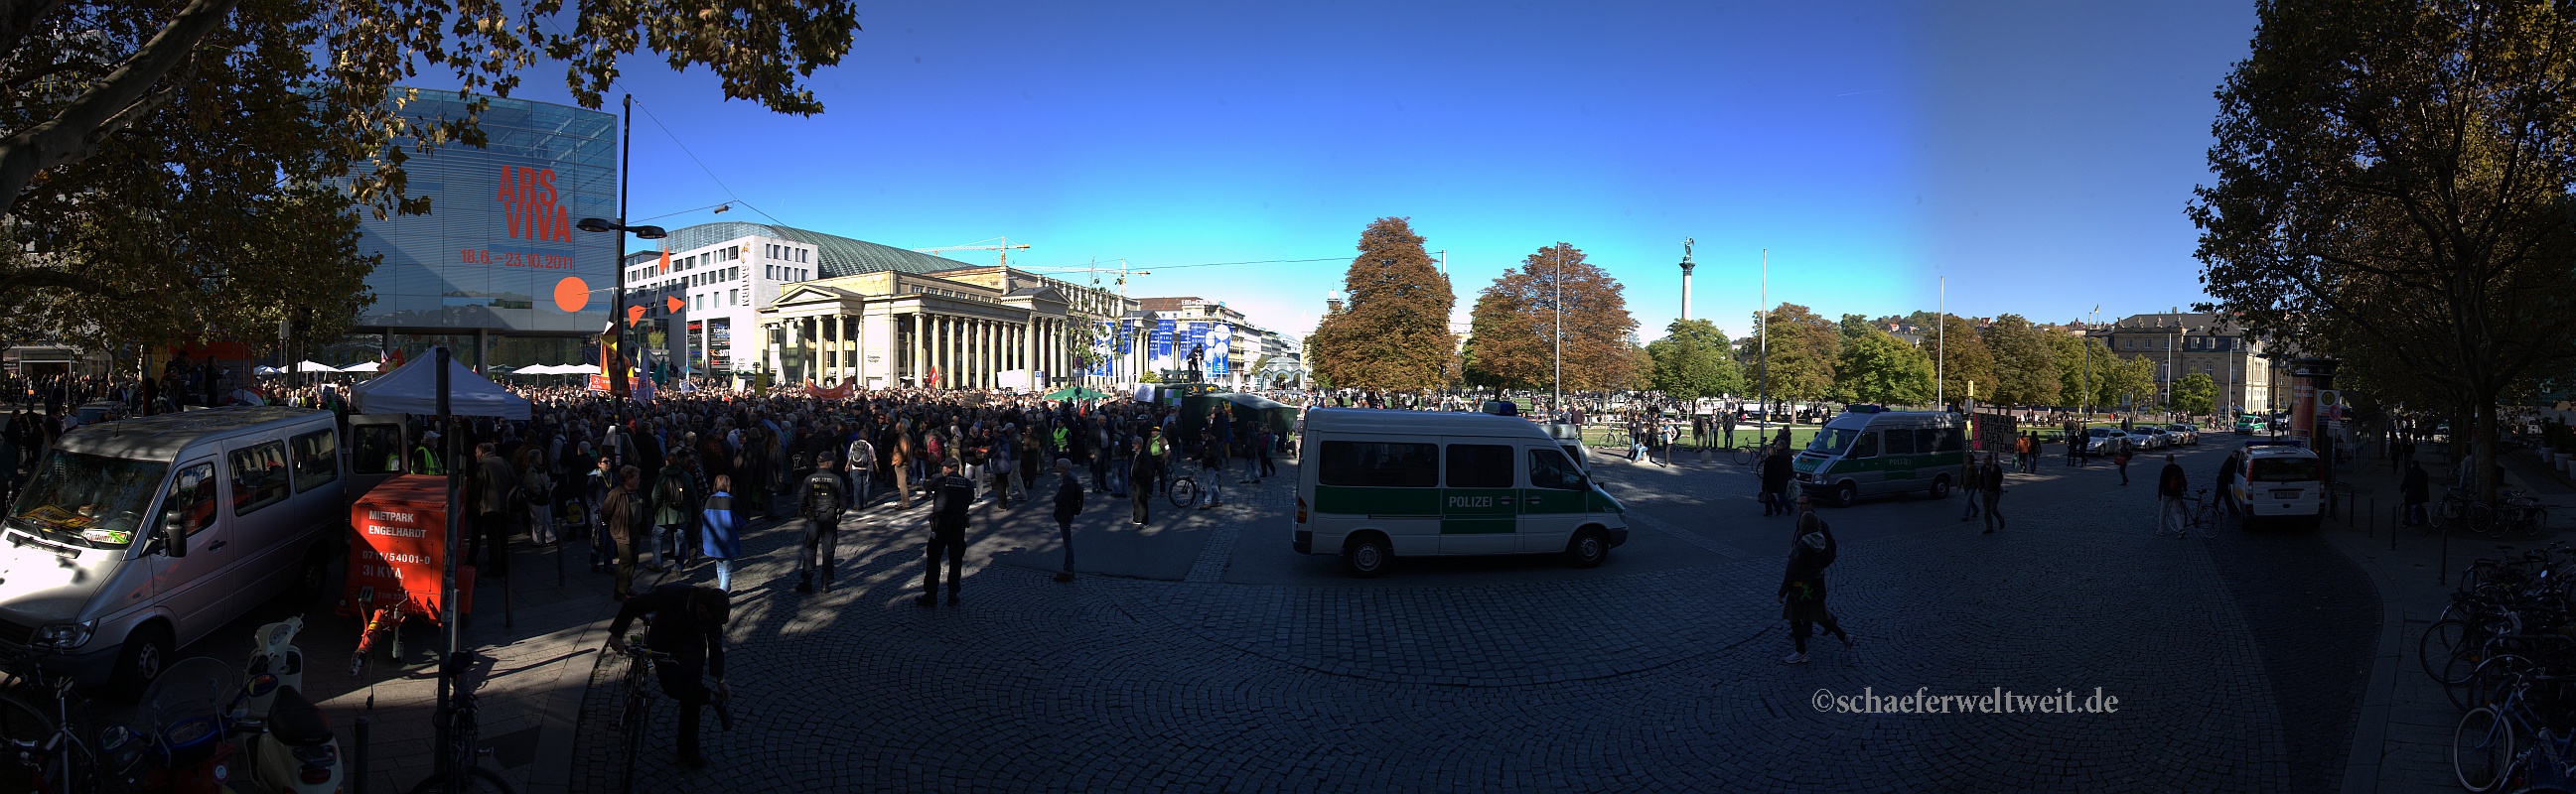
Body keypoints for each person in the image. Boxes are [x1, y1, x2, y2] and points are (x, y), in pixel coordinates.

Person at [606, 585, 730, 769]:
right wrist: (616, 635)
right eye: (709, 617)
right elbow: (633, 604)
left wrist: (720, 679)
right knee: (673, 687)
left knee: (691, 699)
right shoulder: (672, 594)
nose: (711, 622)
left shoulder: (712, 615)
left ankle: (689, 749)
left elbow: (715, 644)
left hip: (691, 651)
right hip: (663, 644)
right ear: (702, 607)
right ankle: (711, 697)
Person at [1778, 495, 1851, 664]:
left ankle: (1801, 652)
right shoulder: (1820, 541)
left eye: (1802, 503)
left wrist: (1781, 592)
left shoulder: (1802, 546)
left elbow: (1791, 571)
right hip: (1816, 584)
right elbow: (1826, 558)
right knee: (1818, 616)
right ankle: (1845, 637)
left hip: (1800, 586)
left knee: (1794, 616)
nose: (1799, 506)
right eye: (1798, 503)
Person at [919, 460, 975, 606]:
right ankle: (953, 594)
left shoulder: (940, 480)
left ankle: (931, 594)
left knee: (934, 557)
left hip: (941, 523)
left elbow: (926, 486)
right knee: (956, 559)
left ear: (946, 469)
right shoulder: (967, 483)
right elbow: (970, 498)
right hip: (959, 523)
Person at [794, 452, 847, 593]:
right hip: (829, 519)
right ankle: (825, 583)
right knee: (828, 550)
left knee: (810, 549)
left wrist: (805, 510)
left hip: (813, 518)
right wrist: (839, 511)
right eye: (832, 461)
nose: (834, 463)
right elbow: (843, 501)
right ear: (828, 463)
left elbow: (801, 497)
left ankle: (807, 581)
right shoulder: (836, 479)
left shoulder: (809, 479)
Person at [466, 443, 517, 580]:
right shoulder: (503, 462)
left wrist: (473, 503)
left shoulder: (481, 465)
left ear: (481, 453)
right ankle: (503, 564)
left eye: (476, 453)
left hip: (487, 507)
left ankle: (493, 568)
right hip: (503, 506)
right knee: (501, 537)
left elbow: (475, 488)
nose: (475, 455)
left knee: (489, 538)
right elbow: (514, 481)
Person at [601, 465, 647, 599]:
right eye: (636, 478)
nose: (638, 480)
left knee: (634, 559)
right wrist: (613, 525)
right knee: (625, 561)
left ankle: (627, 586)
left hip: (635, 530)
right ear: (628, 479)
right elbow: (605, 511)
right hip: (623, 532)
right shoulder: (616, 494)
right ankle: (620, 592)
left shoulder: (636, 491)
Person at [648, 453, 700, 572]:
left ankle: (657, 562)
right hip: (682, 512)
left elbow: (656, 496)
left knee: (657, 535)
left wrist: (656, 509)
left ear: (666, 462)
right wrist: (697, 510)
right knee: (680, 539)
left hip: (665, 512)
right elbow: (693, 496)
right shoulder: (686, 476)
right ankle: (678, 566)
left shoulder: (662, 477)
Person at [700, 474, 745, 592]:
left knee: (720, 568)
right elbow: (740, 522)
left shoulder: (710, 500)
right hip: (728, 539)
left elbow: (704, 519)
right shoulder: (731, 501)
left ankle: (723, 589)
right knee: (727, 571)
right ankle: (721, 595)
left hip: (713, 540)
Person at [1052, 459, 1082, 583]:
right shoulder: (1069, 480)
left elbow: (1061, 498)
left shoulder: (1068, 483)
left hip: (1065, 514)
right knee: (1067, 542)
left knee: (1067, 543)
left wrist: (1056, 498)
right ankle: (1068, 569)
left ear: (1063, 468)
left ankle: (1068, 570)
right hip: (1066, 513)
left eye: (1058, 465)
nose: (1056, 466)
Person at [520, 448, 557, 546]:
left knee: (547, 519)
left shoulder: (541, 469)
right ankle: (536, 540)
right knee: (537, 521)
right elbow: (533, 485)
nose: (541, 459)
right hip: (537, 499)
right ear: (533, 459)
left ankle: (550, 537)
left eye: (541, 457)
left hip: (544, 497)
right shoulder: (531, 470)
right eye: (538, 457)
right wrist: (543, 491)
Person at [2156, 454, 2190, 538]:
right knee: (2176, 512)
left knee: (2163, 511)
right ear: (2173, 459)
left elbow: (2161, 483)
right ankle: (2181, 529)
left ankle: (2161, 530)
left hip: (2167, 493)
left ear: (2166, 460)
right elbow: (2184, 479)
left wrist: (2159, 494)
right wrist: (2184, 489)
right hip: (2177, 492)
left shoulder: (2165, 469)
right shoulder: (2178, 468)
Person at [1758, 444, 1793, 517]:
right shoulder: (1778, 459)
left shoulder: (1768, 460)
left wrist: (1764, 483)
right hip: (1778, 480)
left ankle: (1771, 510)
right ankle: (1778, 508)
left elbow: (1766, 473)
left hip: (1770, 481)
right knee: (1778, 494)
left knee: (1768, 495)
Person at [1129, 436, 1155, 527]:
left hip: (1141, 482)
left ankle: (1145, 521)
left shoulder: (1145, 455)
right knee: (1135, 500)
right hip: (1134, 480)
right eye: (1133, 443)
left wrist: (1144, 480)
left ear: (1140, 444)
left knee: (1142, 501)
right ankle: (1136, 519)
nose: (1133, 445)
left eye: (1135, 443)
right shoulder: (1134, 453)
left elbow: (1149, 470)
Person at [1197, 430, 1225, 509]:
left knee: (1208, 484)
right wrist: (1193, 458)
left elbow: (1212, 456)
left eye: (1204, 433)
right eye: (1201, 433)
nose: (1202, 435)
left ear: (1208, 434)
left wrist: (1202, 460)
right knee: (1213, 485)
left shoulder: (1213, 444)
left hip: (1212, 466)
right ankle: (1218, 500)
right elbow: (1202, 453)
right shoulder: (1206, 443)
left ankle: (1207, 502)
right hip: (1208, 465)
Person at [1979, 454, 2006, 534]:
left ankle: (2000, 519)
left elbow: (2000, 479)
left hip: (1994, 492)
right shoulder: (1983, 468)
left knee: (1993, 509)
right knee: (1986, 510)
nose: (1984, 460)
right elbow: (1981, 479)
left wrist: (1994, 472)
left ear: (1990, 460)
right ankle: (1989, 527)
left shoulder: (1996, 468)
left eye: (1986, 459)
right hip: (1986, 491)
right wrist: (1981, 488)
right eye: (1984, 459)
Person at [2217, 449, 2244, 517]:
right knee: (2225, 496)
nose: (2236, 457)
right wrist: (2231, 480)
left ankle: (2216, 509)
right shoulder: (2232, 462)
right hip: (2223, 480)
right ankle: (2230, 510)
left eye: (2237, 456)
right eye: (2235, 455)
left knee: (2219, 495)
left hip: (2222, 480)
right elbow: (2230, 472)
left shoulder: (2230, 460)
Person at [2402, 460, 2430, 526]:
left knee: (2407, 503)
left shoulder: (2410, 473)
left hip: (2413, 495)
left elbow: (2405, 483)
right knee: (2419, 505)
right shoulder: (2424, 473)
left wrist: (2402, 489)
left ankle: (2407, 521)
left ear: (2412, 465)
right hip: (2424, 495)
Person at [1957, 454, 1982, 522]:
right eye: (1966, 459)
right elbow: (1961, 477)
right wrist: (1958, 486)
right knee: (1970, 500)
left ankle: (1966, 515)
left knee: (1968, 500)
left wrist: (1980, 488)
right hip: (1966, 486)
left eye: (1968, 459)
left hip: (1972, 486)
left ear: (1971, 460)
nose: (1967, 460)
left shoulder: (1974, 468)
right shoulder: (1964, 467)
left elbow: (1977, 478)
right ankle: (1976, 510)